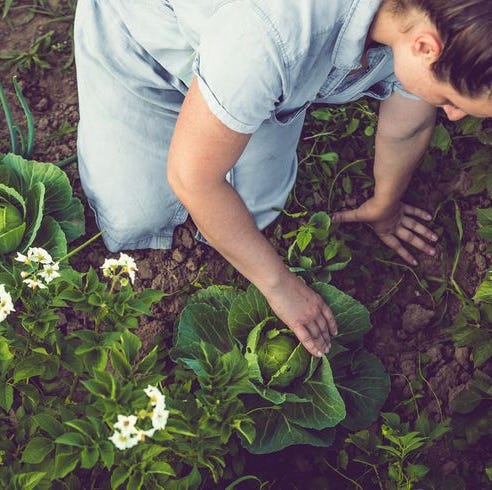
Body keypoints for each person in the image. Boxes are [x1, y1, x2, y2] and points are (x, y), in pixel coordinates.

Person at [74, 0, 492, 359]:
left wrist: (386, 202)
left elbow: (411, 123)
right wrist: (280, 287)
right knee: (135, 218)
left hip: (252, 70)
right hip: (151, 46)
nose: (452, 117)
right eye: (452, 101)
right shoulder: (271, 35)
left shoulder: (434, 18)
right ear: (425, 47)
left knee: (254, 211)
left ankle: (230, 107)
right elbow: (193, 179)